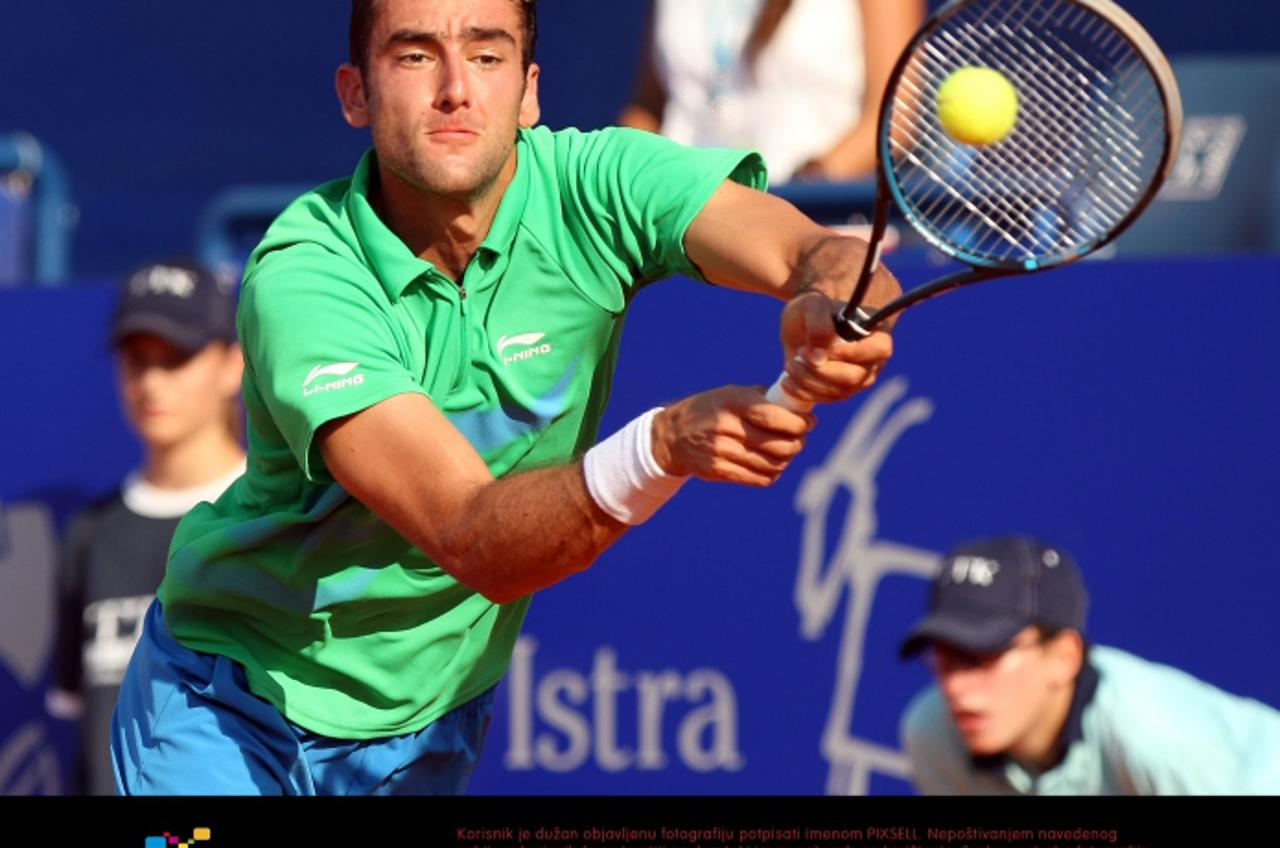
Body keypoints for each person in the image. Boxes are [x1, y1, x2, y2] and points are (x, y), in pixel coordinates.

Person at [111, 0, 901, 796]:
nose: (456, 88)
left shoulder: (599, 185)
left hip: (427, 731)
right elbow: (471, 534)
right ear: (355, 94)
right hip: (223, 707)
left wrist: (835, 300)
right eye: (416, 56)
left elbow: (819, 250)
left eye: (486, 57)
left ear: (529, 93)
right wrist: (663, 445)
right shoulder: (306, 276)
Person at [46, 259, 245, 795]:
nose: (151, 381)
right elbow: (80, 716)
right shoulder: (90, 533)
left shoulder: (277, 519)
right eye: (137, 359)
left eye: (176, 358)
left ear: (234, 365)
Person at [899, 534, 1280, 795]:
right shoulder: (932, 734)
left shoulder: (1156, 739)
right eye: (944, 658)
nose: (956, 687)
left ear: (1064, 657)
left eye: (984, 657)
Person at [619, 0, 924, 183]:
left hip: (814, 226)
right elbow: (649, 108)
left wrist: (808, 186)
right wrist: (631, 178)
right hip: (678, 226)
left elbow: (893, 121)